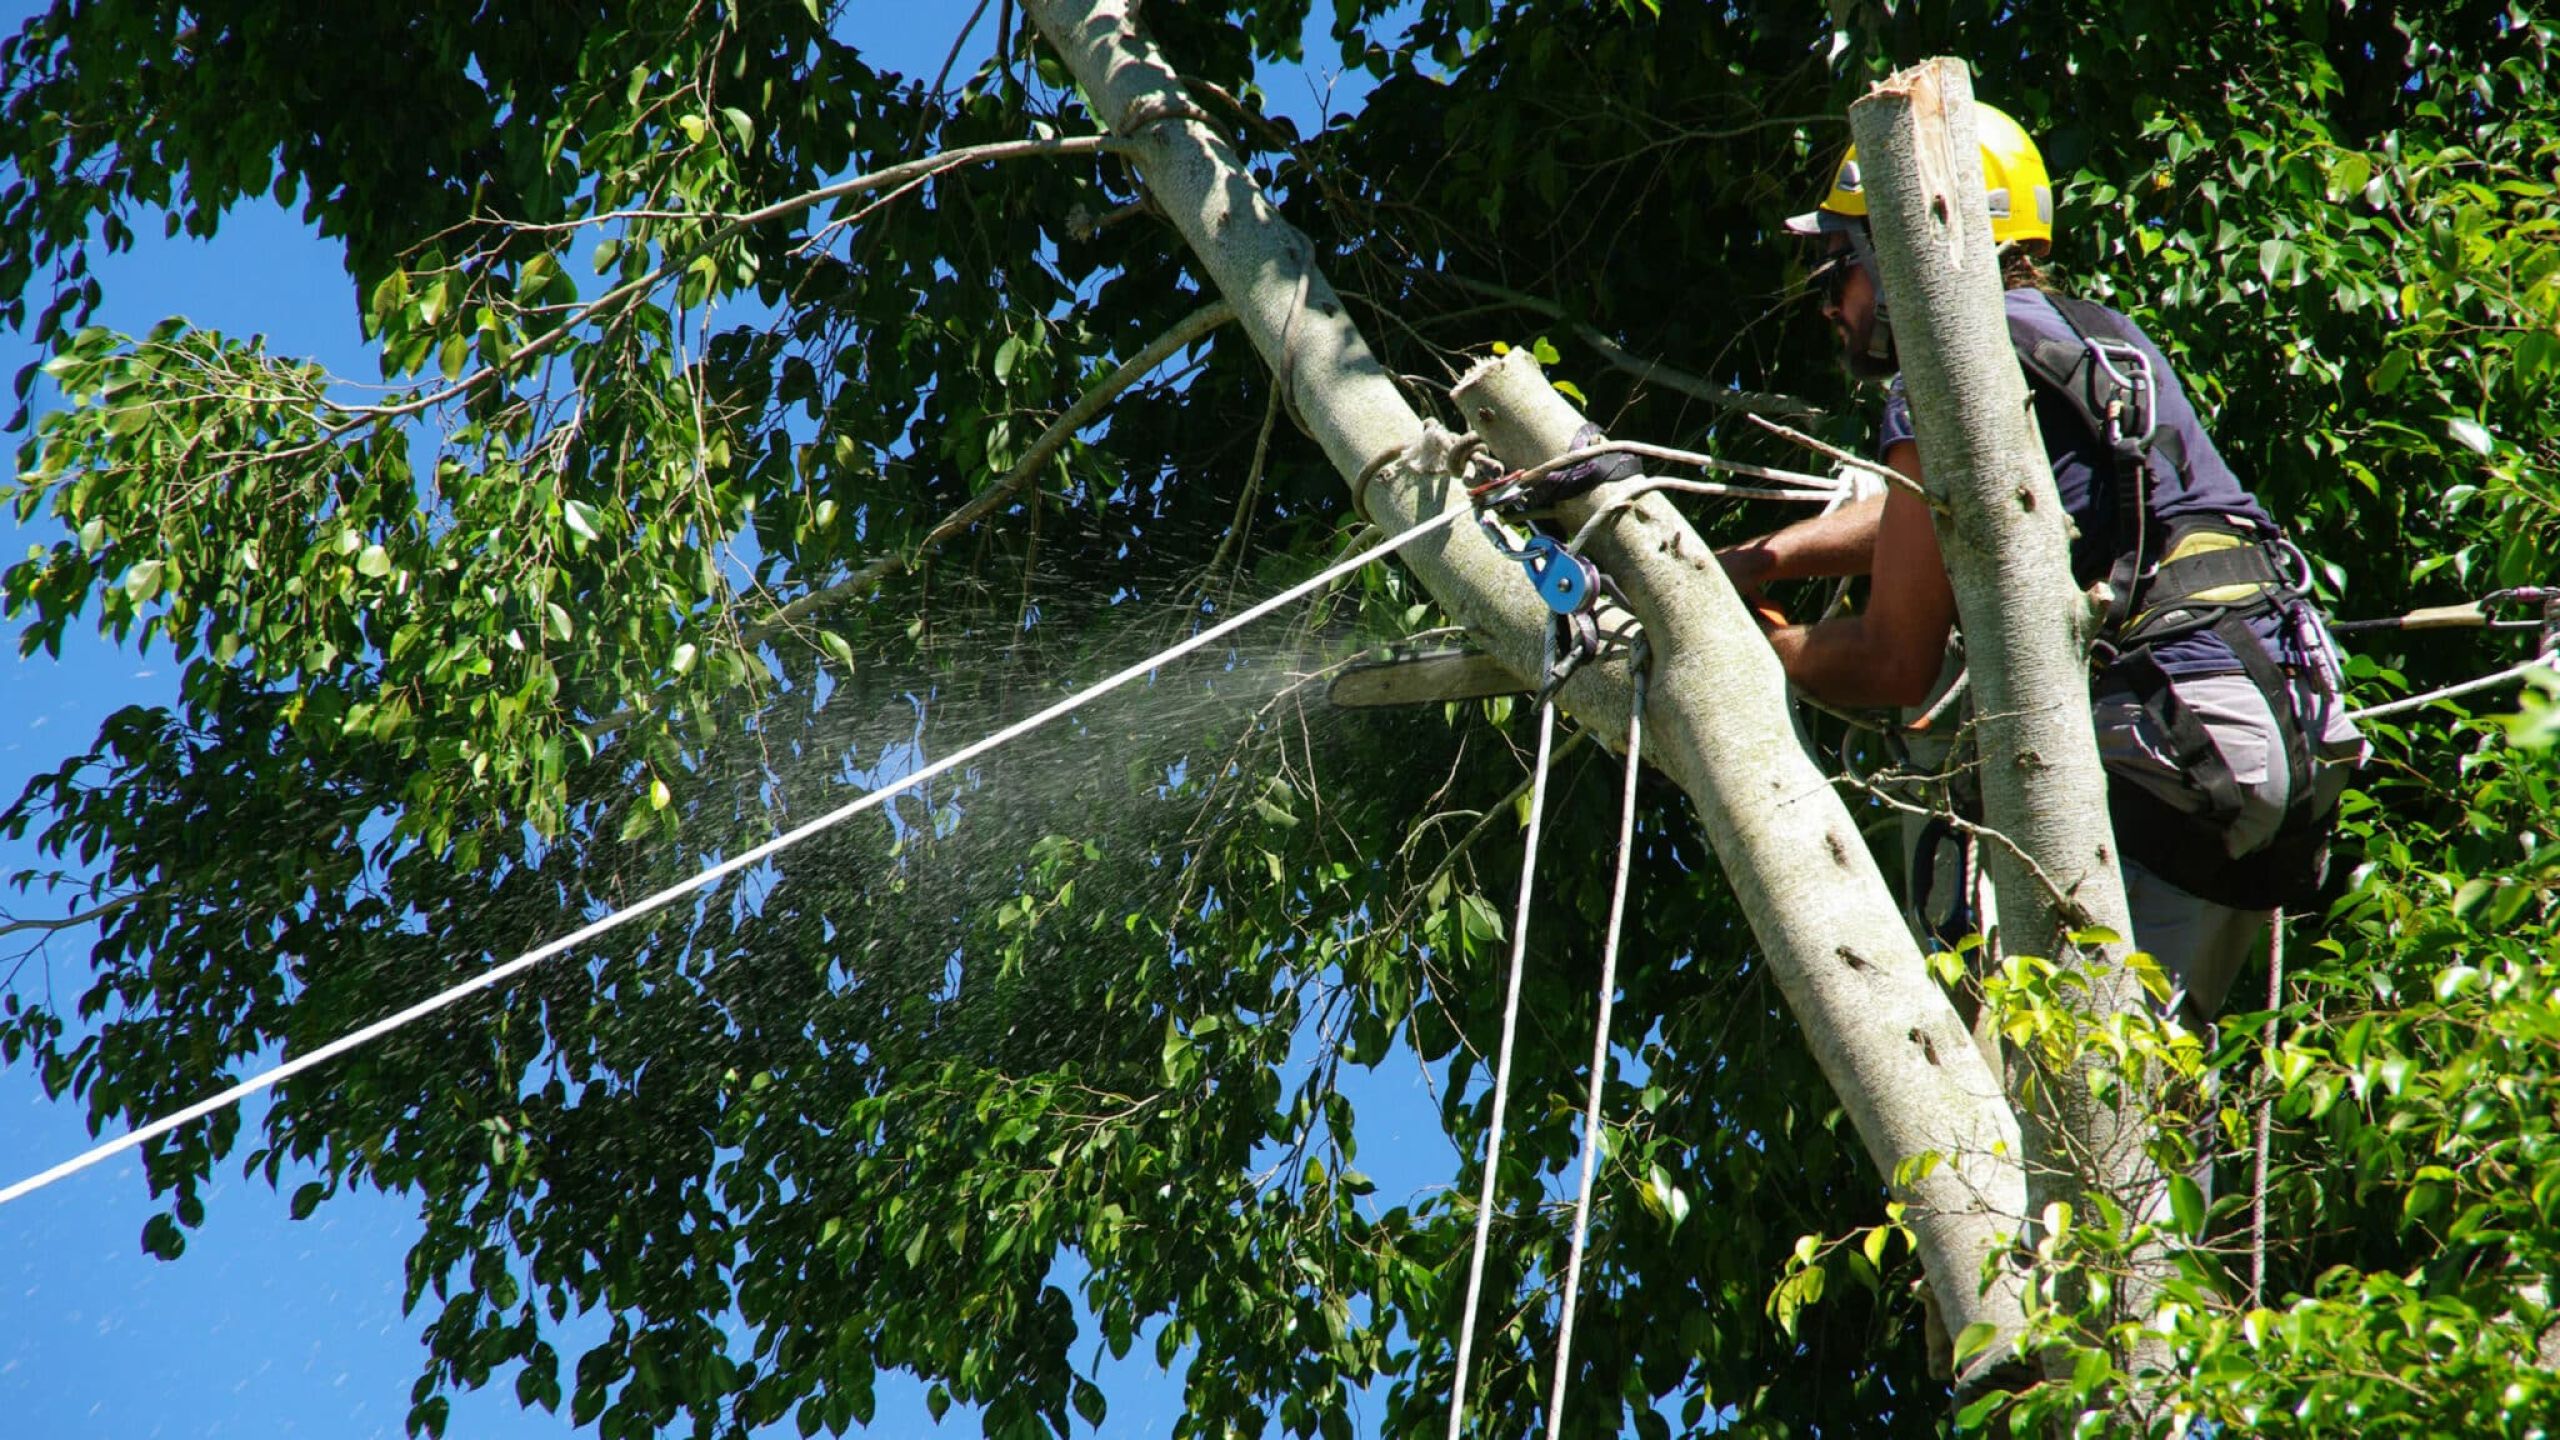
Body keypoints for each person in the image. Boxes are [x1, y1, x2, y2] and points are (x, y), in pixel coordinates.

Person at [1718, 103, 2365, 1025]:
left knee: (2062, 1099)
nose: (1833, 302)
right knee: (2143, 1123)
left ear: (1905, 248)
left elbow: (1890, 658)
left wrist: (1722, 630)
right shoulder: (2092, 334)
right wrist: (1761, 559)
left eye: (1841, 266)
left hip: (2167, 752)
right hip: (2269, 737)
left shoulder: (1944, 377)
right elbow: (1940, 517)